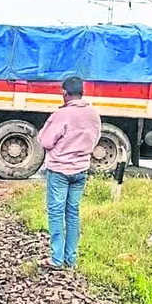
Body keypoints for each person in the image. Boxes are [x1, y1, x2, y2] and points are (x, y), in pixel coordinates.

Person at [37, 76, 101, 270]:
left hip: (59, 170)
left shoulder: (61, 115)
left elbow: (45, 141)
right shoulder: (93, 114)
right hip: (81, 170)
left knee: (56, 213)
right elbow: (95, 138)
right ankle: (70, 260)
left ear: (65, 93)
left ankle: (56, 259)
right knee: (72, 213)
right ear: (82, 92)